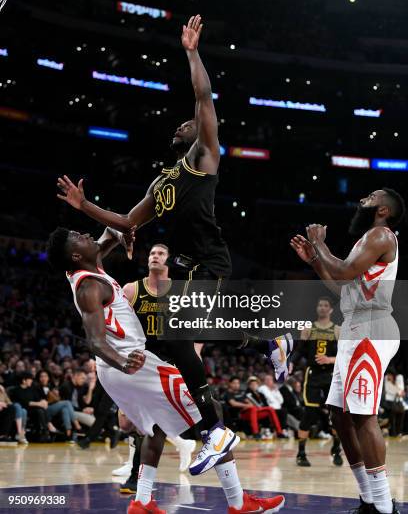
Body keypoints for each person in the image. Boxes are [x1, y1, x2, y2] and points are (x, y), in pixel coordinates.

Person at [56, 15, 292, 467]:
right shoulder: (159, 183)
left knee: (183, 332)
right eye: (183, 123)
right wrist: (85, 207)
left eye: (192, 122)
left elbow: (203, 96)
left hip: (209, 256)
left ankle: (224, 419)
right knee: (178, 339)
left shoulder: (204, 155)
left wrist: (192, 52)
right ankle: (234, 397)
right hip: (185, 262)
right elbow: (127, 221)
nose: (189, 123)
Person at [46, 226, 286, 514]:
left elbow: (115, 230)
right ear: (75, 254)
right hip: (131, 363)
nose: (86, 235)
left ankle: (143, 500)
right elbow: (95, 341)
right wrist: (123, 362)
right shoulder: (91, 286)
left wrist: (96, 212)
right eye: (79, 237)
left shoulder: (85, 267)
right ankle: (238, 502)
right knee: (213, 412)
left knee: (156, 427)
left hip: (123, 367)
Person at [291, 188, 405, 514]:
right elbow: (342, 286)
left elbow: (342, 271)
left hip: (372, 329)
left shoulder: (382, 235)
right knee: (339, 416)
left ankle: (383, 507)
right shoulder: (365, 242)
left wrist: (320, 245)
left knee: (363, 416)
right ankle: (368, 499)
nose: (362, 200)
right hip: (355, 328)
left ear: (384, 210)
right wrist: (315, 260)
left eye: (370, 197)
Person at [114, 242, 196, 484]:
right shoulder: (131, 290)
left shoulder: (181, 291)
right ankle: (182, 445)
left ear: (168, 260)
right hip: (141, 361)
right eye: (151, 253)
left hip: (170, 362)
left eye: (160, 253)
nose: (155, 256)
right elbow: (119, 327)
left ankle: (136, 477)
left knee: (148, 423)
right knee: (126, 423)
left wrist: (195, 353)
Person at [289, 297, 342, 467]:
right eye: (320, 304)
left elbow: (345, 356)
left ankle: (336, 449)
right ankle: (301, 453)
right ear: (316, 308)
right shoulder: (308, 328)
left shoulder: (338, 330)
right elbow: (299, 351)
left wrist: (329, 359)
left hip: (332, 375)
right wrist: (291, 364)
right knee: (309, 413)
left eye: (326, 305)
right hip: (312, 375)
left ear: (331, 310)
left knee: (336, 415)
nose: (322, 307)